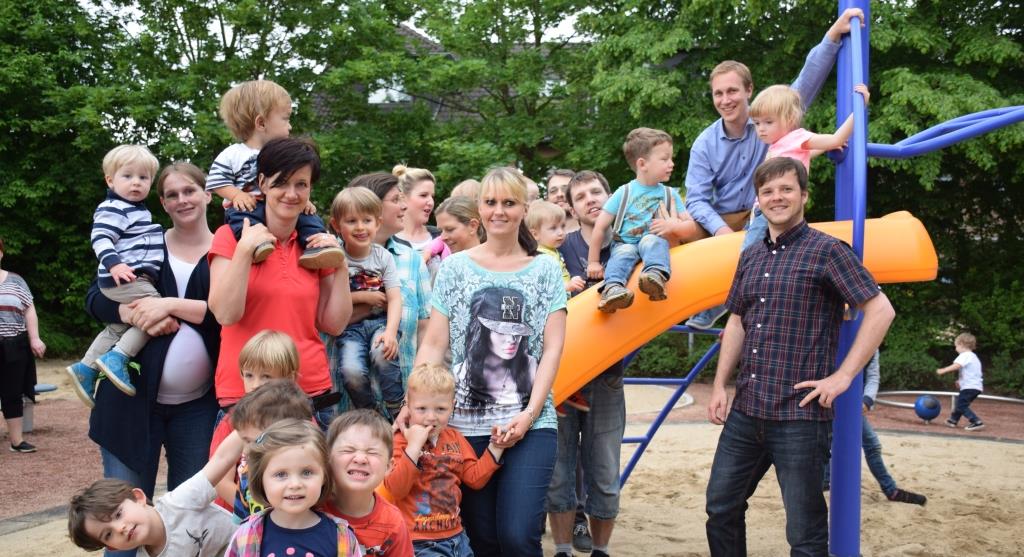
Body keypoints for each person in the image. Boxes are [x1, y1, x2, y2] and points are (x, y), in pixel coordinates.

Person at [705, 157, 895, 556]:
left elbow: (881, 310)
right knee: (721, 508)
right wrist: (720, 384)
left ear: (804, 195)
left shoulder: (828, 251)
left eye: (786, 189)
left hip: (800, 416)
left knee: (805, 533)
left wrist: (844, 376)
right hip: (747, 410)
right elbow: (737, 321)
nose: (777, 197)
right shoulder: (751, 255)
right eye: (768, 191)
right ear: (759, 201)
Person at [413, 166, 567, 556]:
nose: (499, 211)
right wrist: (412, 405)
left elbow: (552, 349)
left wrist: (529, 415)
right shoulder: (454, 268)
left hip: (531, 424)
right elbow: (434, 345)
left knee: (518, 536)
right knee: (482, 539)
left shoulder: (546, 268)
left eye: (509, 203)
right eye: (491, 202)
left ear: (524, 209)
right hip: (464, 427)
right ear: (479, 209)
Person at [683, 7, 866, 331]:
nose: (725, 100)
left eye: (732, 91)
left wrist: (833, 34)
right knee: (681, 229)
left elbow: (806, 81)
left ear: (748, 90)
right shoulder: (705, 143)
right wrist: (722, 231)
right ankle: (681, 289)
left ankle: (823, 304)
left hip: (768, 209)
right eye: (718, 93)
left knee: (781, 249)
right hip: (726, 216)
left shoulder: (772, 121)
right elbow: (696, 199)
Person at [84, 162, 222, 518]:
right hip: (129, 402)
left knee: (189, 518)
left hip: (198, 406)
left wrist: (169, 305)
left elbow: (231, 314)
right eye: (172, 194)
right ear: (162, 203)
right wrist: (131, 313)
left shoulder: (226, 249)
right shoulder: (145, 239)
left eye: (189, 191)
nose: (182, 200)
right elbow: (96, 298)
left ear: (207, 194)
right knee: (125, 518)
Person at [208, 137, 351, 430]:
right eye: (281, 183)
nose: (291, 193)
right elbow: (225, 313)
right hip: (246, 394)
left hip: (309, 392)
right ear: (262, 183)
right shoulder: (230, 236)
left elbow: (334, 324)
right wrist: (245, 251)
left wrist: (342, 264)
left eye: (301, 184)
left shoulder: (315, 245)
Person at [547, 170, 626, 557]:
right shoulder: (561, 247)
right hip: (562, 373)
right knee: (558, 471)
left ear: (611, 197)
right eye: (581, 197)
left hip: (608, 375)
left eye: (597, 192)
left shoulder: (631, 244)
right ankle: (562, 548)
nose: (591, 200)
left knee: (605, 472)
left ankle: (600, 550)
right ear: (572, 209)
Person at [206, 79, 343, 269]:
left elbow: (293, 181)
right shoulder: (234, 153)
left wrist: (303, 200)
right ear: (261, 123)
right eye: (285, 119)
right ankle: (256, 246)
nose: (290, 126)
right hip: (247, 206)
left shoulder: (282, 157)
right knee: (245, 222)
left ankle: (317, 245)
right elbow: (215, 181)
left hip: (277, 205)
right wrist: (236, 195)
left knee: (310, 219)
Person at [67, 145, 164, 406]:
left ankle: (86, 368)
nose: (136, 182)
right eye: (127, 176)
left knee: (118, 326)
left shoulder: (136, 210)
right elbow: (100, 237)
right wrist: (114, 264)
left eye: (143, 177)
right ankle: (118, 356)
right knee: (156, 311)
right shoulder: (115, 207)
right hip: (126, 278)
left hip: (125, 280)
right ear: (110, 181)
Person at [386, 363, 505, 555]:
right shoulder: (399, 440)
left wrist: (497, 446)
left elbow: (474, 478)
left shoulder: (455, 438)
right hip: (417, 541)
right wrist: (414, 447)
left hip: (457, 538)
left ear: (453, 406)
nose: (431, 417)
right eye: (421, 408)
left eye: (441, 409)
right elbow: (396, 489)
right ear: (408, 405)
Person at [68, 430, 244, 556]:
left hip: (251, 547)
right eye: (108, 534)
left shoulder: (180, 502)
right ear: (113, 548)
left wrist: (250, 423)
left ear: (138, 498)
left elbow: (222, 459)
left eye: (118, 514)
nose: (119, 528)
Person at [333, 173, 431, 394]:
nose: (404, 206)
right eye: (396, 199)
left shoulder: (412, 260)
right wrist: (367, 301)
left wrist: (422, 388)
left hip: (402, 397)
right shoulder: (332, 256)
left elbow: (425, 328)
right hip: (347, 400)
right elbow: (324, 320)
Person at [224, 419, 362, 557]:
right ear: (260, 480)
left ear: (324, 476)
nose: (295, 484)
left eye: (307, 472)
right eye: (281, 474)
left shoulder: (341, 538)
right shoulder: (245, 535)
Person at [587, 128, 686, 313]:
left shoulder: (670, 194)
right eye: (665, 159)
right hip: (626, 242)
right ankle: (613, 288)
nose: (671, 164)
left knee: (653, 240)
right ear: (642, 164)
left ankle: (654, 277)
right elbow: (600, 227)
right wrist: (593, 261)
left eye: (671, 158)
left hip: (653, 241)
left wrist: (675, 226)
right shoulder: (624, 192)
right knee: (623, 253)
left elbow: (689, 224)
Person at [329, 186, 404, 419]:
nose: (360, 227)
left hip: (380, 322)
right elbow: (331, 299)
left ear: (378, 223)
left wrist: (391, 332)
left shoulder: (383, 256)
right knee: (351, 369)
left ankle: (397, 406)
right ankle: (370, 412)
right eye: (351, 221)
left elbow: (394, 297)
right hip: (350, 328)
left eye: (367, 220)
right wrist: (364, 297)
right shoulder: (335, 256)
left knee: (383, 353)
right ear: (336, 225)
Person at [207, 330, 302, 507]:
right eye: (249, 375)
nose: (255, 385)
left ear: (289, 378)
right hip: (238, 515)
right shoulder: (232, 423)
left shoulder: (302, 421)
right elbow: (220, 481)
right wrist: (255, 513)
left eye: (266, 377)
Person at [822, 351, 927, 505]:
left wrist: (867, 400)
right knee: (829, 441)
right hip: (829, 398)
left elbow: (872, 376)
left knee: (869, 444)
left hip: (850, 402)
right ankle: (889, 490)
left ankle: (890, 490)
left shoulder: (871, 345)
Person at [325, 409, 413, 557]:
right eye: (348, 450)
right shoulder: (312, 508)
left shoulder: (393, 523)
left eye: (372, 452)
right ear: (327, 459)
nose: (360, 459)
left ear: (388, 467)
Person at [750, 83, 871, 171]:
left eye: (768, 122)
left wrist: (859, 108)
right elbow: (805, 154)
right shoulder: (777, 146)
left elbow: (836, 139)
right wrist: (824, 147)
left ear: (790, 119)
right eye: (757, 123)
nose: (761, 128)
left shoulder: (797, 137)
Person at [0, 236, 46, 453]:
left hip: (14, 345)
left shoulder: (16, 281)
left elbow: (29, 309)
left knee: (13, 393)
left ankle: (17, 441)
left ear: (1, 253)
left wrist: (35, 338)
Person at [393, 165, 441, 280]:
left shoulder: (441, 235)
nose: (431, 202)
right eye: (423, 195)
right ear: (402, 197)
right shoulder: (388, 241)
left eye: (432, 196)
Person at [528, 200, 586, 295]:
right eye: (553, 228)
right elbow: (543, 288)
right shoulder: (540, 257)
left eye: (562, 226)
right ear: (535, 234)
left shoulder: (552, 251)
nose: (561, 232)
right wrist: (567, 286)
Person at [937, 332, 985, 431]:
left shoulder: (965, 355)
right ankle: (953, 420)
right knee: (961, 403)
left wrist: (943, 370)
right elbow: (971, 372)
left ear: (961, 344)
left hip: (970, 387)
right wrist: (960, 381)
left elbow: (957, 365)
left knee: (961, 405)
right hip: (975, 386)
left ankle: (976, 421)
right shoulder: (973, 356)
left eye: (956, 346)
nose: (955, 349)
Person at [545, 168, 578, 233]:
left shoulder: (596, 229)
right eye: (553, 191)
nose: (559, 194)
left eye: (565, 189)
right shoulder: (535, 236)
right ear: (547, 199)